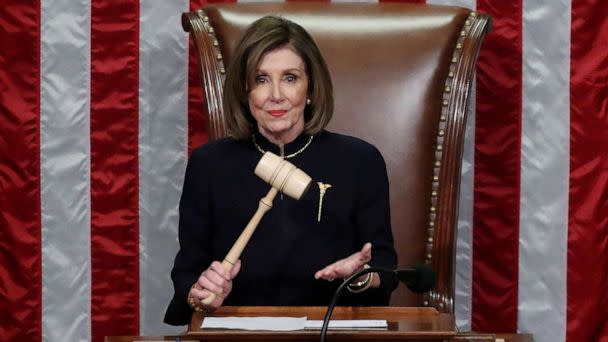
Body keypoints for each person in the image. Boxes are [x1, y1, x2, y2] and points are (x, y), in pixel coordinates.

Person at [164, 15, 398, 326]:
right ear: (245, 92)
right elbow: (188, 273)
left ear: (310, 88)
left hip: (331, 332)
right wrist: (200, 293)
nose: (276, 94)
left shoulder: (361, 161)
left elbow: (384, 266)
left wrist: (360, 278)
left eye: (290, 78)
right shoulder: (209, 164)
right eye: (261, 79)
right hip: (237, 333)